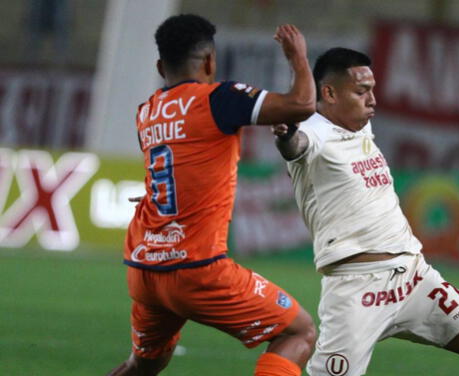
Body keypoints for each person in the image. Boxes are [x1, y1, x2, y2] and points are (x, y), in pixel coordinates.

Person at [272, 47, 459, 376]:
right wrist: (287, 135)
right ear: (328, 93)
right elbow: (294, 147)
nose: (372, 99)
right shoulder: (314, 133)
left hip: (413, 277)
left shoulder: (359, 129)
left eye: (372, 89)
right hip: (358, 290)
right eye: (361, 91)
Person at [107, 14, 317, 376]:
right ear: (209, 61)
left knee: (141, 367)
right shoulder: (218, 99)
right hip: (197, 270)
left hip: (145, 270)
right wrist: (298, 55)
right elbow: (302, 104)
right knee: (299, 331)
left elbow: (175, 171)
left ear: (160, 66)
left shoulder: (147, 114)